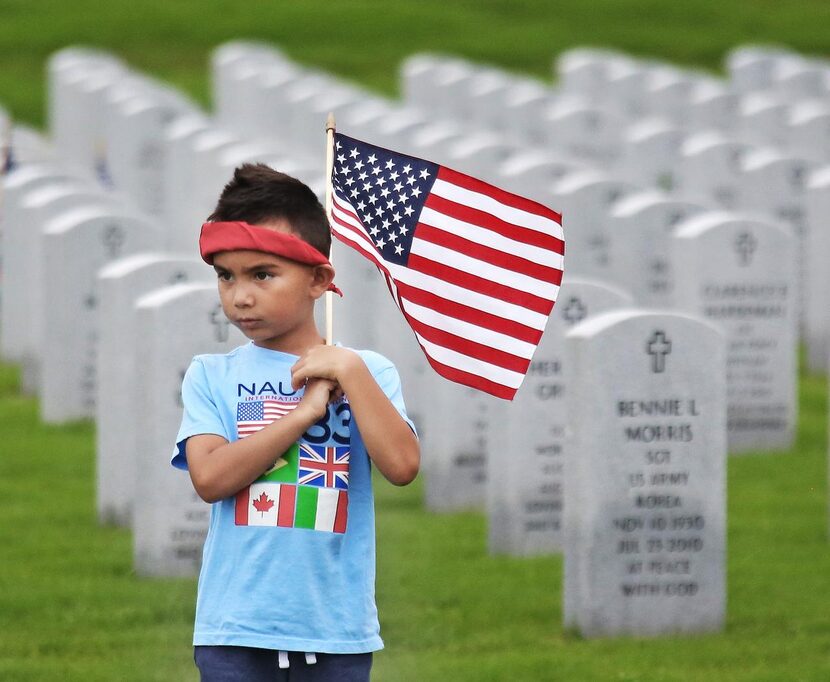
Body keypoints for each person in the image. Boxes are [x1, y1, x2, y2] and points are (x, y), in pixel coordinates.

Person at [172, 163, 420, 682]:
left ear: (319, 280)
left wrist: (348, 370)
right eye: (226, 275)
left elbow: (401, 466)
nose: (240, 296)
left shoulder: (368, 372)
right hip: (235, 629)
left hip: (335, 629)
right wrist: (304, 413)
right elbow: (211, 478)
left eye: (262, 274)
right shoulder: (212, 375)